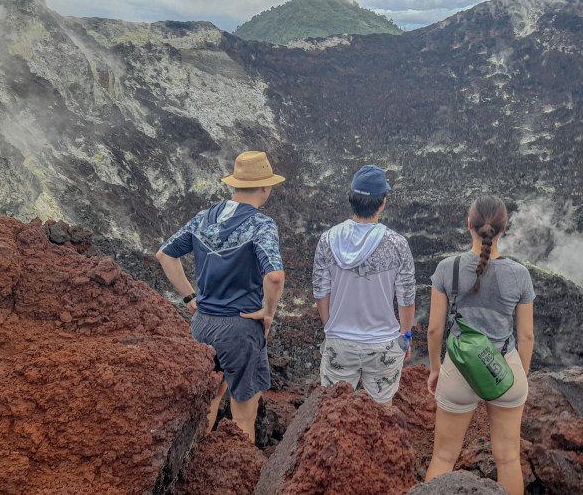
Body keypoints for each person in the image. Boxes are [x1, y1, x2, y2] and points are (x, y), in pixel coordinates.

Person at [156, 150, 286, 442]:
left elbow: (164, 255)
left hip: (201, 325)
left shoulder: (203, 218)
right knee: (243, 415)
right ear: (266, 187)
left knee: (207, 402)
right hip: (240, 328)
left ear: (235, 184)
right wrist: (268, 311)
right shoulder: (261, 225)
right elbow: (275, 276)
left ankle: (198, 466)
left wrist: (190, 298)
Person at [424, 195, 535, 495]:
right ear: (504, 228)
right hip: (504, 370)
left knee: (444, 457)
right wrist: (519, 375)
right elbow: (526, 337)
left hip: (458, 370)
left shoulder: (448, 268)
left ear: (468, 225)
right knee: (509, 458)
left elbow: (434, 329)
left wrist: (436, 369)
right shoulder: (520, 274)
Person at [312, 164, 416, 404]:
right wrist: (406, 335)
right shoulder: (397, 244)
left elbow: (320, 290)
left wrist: (331, 328)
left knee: (334, 412)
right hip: (383, 344)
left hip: (339, 342)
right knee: (381, 415)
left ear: (351, 199)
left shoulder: (328, 239)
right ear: (383, 202)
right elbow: (406, 297)